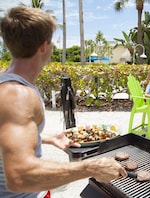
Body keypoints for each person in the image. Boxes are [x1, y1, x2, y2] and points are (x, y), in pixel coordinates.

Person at [0, 6, 127, 198]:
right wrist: (91, 167)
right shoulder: (18, 95)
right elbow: (19, 175)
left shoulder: (6, 83)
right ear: (44, 46)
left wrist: (42, 138)